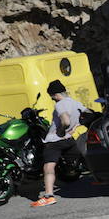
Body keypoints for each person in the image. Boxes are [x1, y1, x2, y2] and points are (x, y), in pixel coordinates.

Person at [32, 79, 86, 208]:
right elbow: (88, 115)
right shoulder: (76, 103)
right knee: (80, 157)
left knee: (48, 167)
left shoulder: (60, 104)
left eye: (52, 97)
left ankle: (49, 196)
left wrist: (62, 130)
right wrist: (74, 128)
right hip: (69, 140)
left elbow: (65, 121)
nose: (52, 100)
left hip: (55, 141)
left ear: (56, 95)